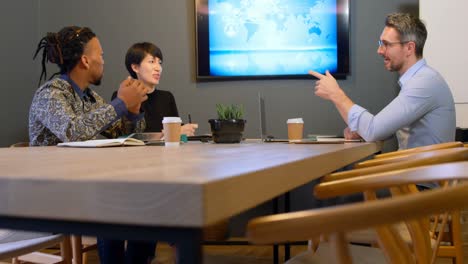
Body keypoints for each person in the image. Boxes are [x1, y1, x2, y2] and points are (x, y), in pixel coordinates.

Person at [309, 13, 456, 150]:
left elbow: (374, 130)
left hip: (421, 175)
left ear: (409, 48)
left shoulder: (424, 83)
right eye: (381, 43)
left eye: (387, 44)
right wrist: (362, 131)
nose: (379, 50)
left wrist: (336, 94)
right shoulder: (421, 80)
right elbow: (385, 128)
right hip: (417, 171)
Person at [29, 26, 149, 146]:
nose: (103, 61)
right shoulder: (49, 94)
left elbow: (122, 134)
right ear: (85, 61)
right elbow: (72, 134)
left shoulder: (91, 98)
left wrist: (133, 110)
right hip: (51, 164)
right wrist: (122, 102)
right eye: (101, 55)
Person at [111, 42, 198, 136]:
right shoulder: (122, 97)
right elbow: (127, 136)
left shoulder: (167, 97)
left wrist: (184, 131)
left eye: (159, 63)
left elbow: (176, 129)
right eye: (152, 62)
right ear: (135, 67)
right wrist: (173, 133)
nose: (158, 68)